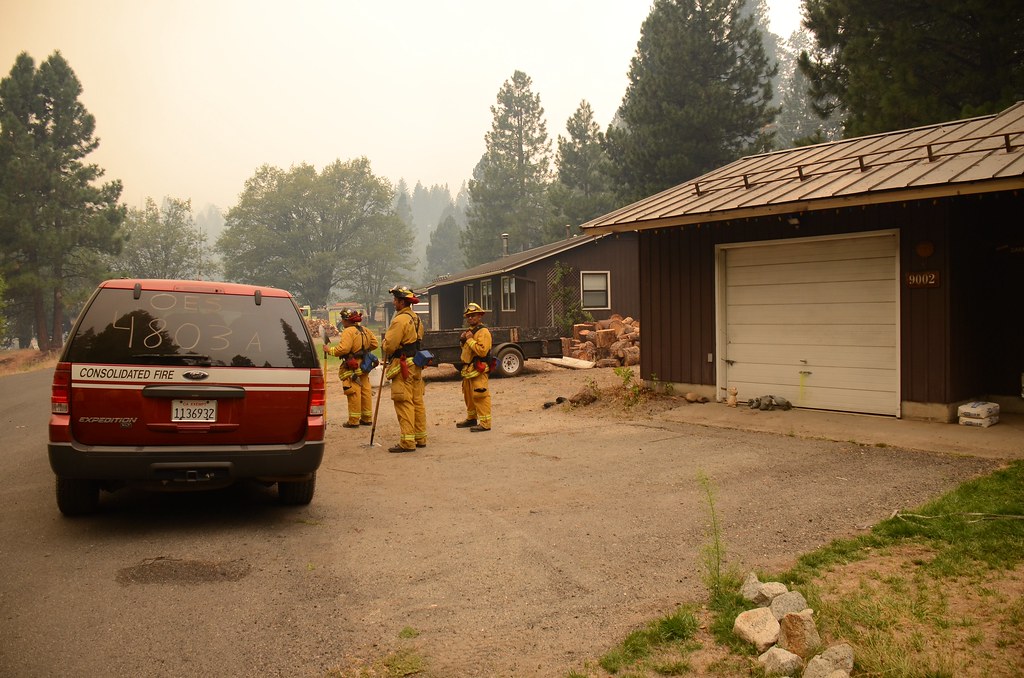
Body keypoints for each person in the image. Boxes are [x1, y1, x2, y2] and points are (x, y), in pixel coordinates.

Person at [381, 285, 427, 452]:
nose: (394, 303)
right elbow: (418, 338)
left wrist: (384, 343)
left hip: (403, 366)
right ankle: (420, 437)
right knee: (417, 401)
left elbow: (390, 346)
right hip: (415, 364)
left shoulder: (400, 320)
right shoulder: (416, 318)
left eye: (395, 300)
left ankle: (407, 442)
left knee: (404, 401)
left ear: (402, 302)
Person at [323, 309, 379, 428]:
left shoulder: (348, 331)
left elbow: (344, 349)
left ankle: (354, 420)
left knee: (353, 391)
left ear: (346, 320)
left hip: (353, 366)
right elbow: (374, 344)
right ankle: (367, 418)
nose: (342, 322)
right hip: (365, 365)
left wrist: (330, 350)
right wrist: (364, 351)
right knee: (365, 391)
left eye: (342, 319)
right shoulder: (365, 330)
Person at [455, 302, 492, 432]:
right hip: (468, 370)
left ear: (480, 316)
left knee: (480, 396)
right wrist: (463, 341)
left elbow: (482, 351)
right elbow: (466, 351)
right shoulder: (470, 332)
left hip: (478, 369)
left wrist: (470, 340)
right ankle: (471, 419)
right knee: (469, 397)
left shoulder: (483, 332)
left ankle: (485, 423)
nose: (470, 318)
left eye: (473, 315)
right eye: (468, 316)